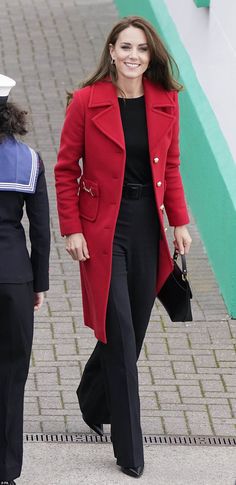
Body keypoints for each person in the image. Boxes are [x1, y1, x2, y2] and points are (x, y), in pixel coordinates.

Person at [55, 16, 192, 478]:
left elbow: (170, 167)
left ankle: (91, 399)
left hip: (146, 228)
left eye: (143, 49)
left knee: (128, 330)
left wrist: (180, 223)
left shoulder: (167, 102)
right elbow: (63, 169)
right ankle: (129, 452)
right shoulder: (85, 101)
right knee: (121, 331)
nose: (134, 55)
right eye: (126, 47)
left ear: (151, 56)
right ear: (111, 52)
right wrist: (71, 228)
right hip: (101, 231)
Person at [0, 74, 50, 485]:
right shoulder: (29, 160)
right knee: (12, 373)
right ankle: (7, 470)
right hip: (15, 278)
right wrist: (39, 283)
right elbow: (41, 230)